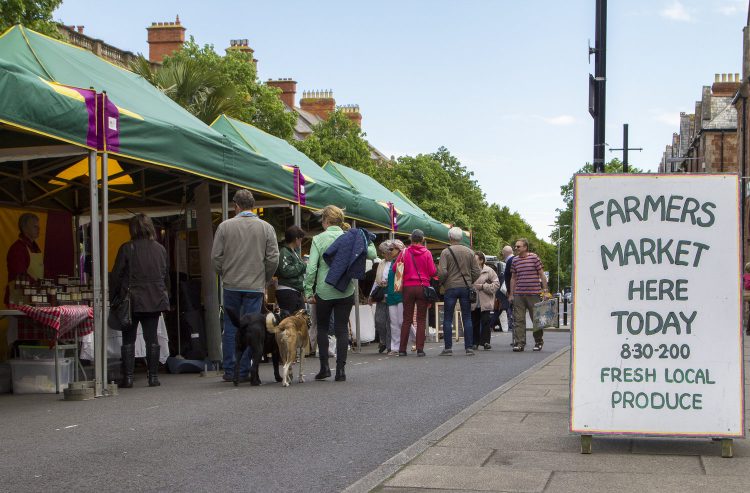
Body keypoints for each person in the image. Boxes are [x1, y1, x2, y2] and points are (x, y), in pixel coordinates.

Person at [211, 189, 279, 382]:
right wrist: (265, 278)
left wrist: (224, 273)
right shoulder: (266, 228)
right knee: (253, 329)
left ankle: (231, 370)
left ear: (236, 206)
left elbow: (216, 257)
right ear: (253, 206)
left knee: (232, 328)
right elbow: (273, 258)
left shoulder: (224, 227)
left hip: (231, 284)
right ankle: (245, 371)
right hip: (254, 285)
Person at [303, 205, 376, 382]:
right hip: (345, 290)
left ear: (326, 221)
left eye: (322, 219)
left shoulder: (318, 239)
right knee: (341, 329)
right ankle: (341, 371)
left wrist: (307, 290)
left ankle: (324, 368)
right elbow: (372, 254)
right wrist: (367, 238)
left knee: (321, 327)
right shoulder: (350, 237)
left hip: (324, 290)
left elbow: (311, 268)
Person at [111, 214, 170, 388]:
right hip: (155, 298)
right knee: (151, 338)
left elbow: (116, 275)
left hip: (132, 300)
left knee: (128, 338)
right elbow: (165, 276)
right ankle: (153, 377)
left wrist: (114, 297)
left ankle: (128, 378)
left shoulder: (127, 248)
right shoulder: (160, 249)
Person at [438, 226, 481, 356]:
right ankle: (469, 347)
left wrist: (443, 281)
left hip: (450, 287)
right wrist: (470, 281)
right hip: (465, 287)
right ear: (461, 237)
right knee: (467, 317)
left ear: (450, 237)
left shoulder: (445, 252)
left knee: (448, 318)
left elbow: (443, 271)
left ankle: (448, 348)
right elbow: (477, 271)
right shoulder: (469, 252)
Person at [396, 229, 436, 357]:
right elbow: (432, 271)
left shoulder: (404, 252)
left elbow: (394, 268)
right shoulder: (427, 253)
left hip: (407, 287)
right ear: (422, 239)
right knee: (421, 319)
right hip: (422, 287)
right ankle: (420, 349)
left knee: (406, 319)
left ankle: (402, 349)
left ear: (411, 239)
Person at [508, 238, 550, 352]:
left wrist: (545, 291)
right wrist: (511, 294)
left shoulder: (534, 258)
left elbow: (542, 275)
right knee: (518, 319)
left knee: (536, 319)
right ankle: (519, 343)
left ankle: (538, 341)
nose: (516, 248)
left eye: (518, 246)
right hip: (519, 295)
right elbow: (513, 278)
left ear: (525, 247)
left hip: (534, 294)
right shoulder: (515, 260)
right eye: (515, 246)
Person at [6, 213, 43, 305]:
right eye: (35, 226)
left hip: (33, 296)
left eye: (38, 226)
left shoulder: (35, 248)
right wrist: (40, 285)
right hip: (19, 298)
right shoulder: (18, 248)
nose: (38, 228)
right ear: (24, 228)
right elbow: (20, 274)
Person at [385, 240, 410, 356]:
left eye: (392, 249)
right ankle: (395, 347)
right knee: (394, 323)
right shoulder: (390, 263)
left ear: (399, 249)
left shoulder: (402, 260)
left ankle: (416, 338)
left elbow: (400, 279)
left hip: (400, 295)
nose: (389, 251)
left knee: (401, 321)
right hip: (391, 295)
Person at [470, 251, 500, 350]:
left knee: (486, 321)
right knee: (474, 322)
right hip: (474, 301)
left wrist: (483, 286)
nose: (473, 261)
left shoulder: (489, 271)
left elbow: (496, 285)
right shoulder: (470, 270)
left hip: (485, 300)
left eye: (475, 259)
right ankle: (475, 342)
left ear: (481, 260)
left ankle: (486, 342)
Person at [275, 225, 307, 312]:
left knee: (301, 321)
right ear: (296, 239)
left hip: (295, 291)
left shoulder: (294, 252)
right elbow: (286, 271)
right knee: (289, 322)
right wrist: (303, 265)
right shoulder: (284, 251)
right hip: (287, 291)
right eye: (301, 239)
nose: (301, 241)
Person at [369, 241, 392, 353]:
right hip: (381, 295)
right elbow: (376, 281)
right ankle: (383, 340)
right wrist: (371, 295)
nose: (383, 255)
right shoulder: (381, 263)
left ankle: (389, 344)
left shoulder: (397, 262)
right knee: (379, 320)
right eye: (382, 253)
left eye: (384, 252)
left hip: (392, 295)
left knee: (390, 321)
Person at [500, 245, 515, 342]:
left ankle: (517, 339)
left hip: (513, 293)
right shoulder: (514, 259)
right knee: (514, 316)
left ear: (504, 253)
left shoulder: (510, 261)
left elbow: (510, 278)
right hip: (515, 292)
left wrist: (510, 293)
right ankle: (517, 339)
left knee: (514, 316)